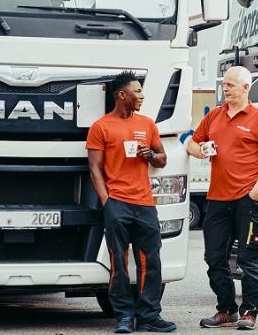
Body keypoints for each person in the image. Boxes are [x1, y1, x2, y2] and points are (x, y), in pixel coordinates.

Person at [187, 66, 258, 331]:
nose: (225, 88)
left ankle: (249, 312)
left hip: (247, 200)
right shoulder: (214, 116)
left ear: (245, 87)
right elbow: (191, 143)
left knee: (249, 260)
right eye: (224, 84)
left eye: (230, 84)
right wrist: (200, 150)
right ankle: (226, 310)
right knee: (214, 258)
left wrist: (257, 191)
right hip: (217, 199)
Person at [86, 71, 176, 334]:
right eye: (137, 91)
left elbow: (162, 159)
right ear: (121, 95)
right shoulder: (101, 127)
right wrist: (107, 202)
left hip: (145, 203)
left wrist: (150, 155)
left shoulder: (147, 124)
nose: (142, 96)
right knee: (119, 263)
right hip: (118, 203)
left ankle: (149, 316)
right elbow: (94, 169)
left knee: (151, 261)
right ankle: (124, 316)